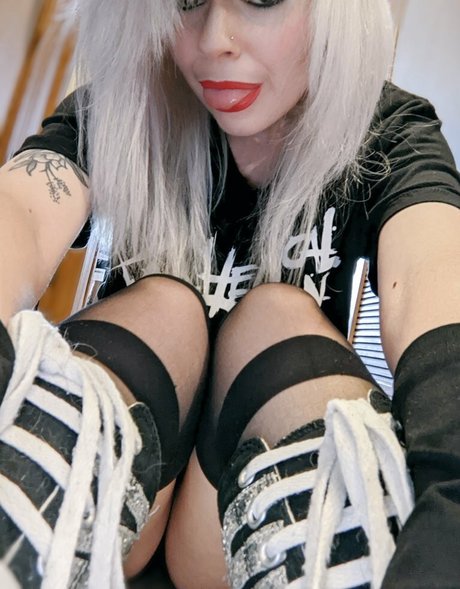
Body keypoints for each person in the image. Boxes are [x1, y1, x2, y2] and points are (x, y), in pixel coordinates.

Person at [0, 0, 460, 587]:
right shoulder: (127, 106)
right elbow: (23, 211)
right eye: (185, 1)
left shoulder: (388, 132)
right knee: (168, 310)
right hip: (117, 515)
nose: (214, 39)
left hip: (240, 533)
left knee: (276, 315)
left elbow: (434, 284)